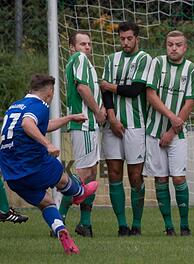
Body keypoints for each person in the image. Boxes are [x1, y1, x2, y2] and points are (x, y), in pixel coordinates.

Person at [0, 74, 99, 254]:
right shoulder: (40, 105)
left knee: (47, 203)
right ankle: (79, 193)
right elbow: (28, 123)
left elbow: (39, 126)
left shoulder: (15, 106)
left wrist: (68, 118)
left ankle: (60, 230)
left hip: (12, 174)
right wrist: (48, 144)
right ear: (50, 92)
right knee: (60, 175)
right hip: (31, 163)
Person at [143, 30, 194, 236]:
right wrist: (172, 117)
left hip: (177, 134)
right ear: (166, 46)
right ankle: (169, 227)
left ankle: (184, 226)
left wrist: (173, 128)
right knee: (160, 179)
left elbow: (190, 101)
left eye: (178, 44)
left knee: (178, 179)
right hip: (154, 132)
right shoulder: (157, 64)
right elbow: (150, 94)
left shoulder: (191, 69)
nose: (173, 48)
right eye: (170, 44)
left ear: (185, 47)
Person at [100, 21, 152, 236]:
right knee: (113, 173)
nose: (125, 42)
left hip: (136, 125)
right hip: (113, 125)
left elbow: (135, 90)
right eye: (122, 39)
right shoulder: (111, 59)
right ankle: (122, 225)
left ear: (137, 38)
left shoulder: (145, 59)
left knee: (135, 176)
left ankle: (137, 224)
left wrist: (110, 86)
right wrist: (111, 118)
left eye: (129, 38)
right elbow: (104, 94)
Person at [58, 31, 106, 237]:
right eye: (82, 44)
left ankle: (85, 223)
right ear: (72, 47)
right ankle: (58, 221)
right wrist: (97, 111)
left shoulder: (82, 62)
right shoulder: (79, 59)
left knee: (90, 176)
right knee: (83, 176)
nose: (87, 47)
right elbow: (82, 88)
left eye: (89, 43)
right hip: (84, 125)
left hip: (87, 127)